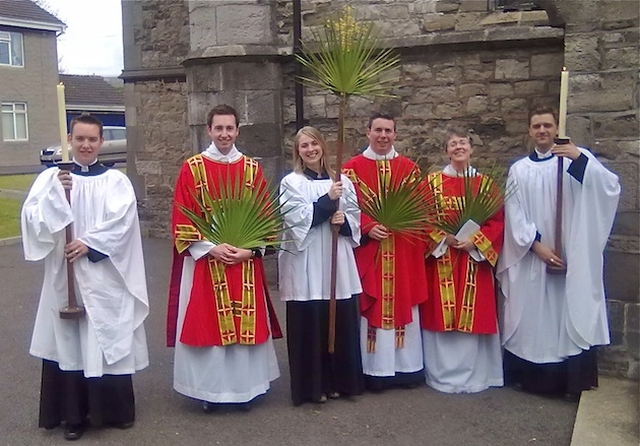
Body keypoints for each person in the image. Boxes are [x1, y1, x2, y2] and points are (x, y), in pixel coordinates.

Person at [21, 113, 149, 440]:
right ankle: (73, 416)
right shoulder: (53, 179)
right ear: (70, 139)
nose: (86, 145)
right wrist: (54, 196)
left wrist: (89, 243)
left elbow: (123, 223)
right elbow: (33, 221)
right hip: (66, 279)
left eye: (92, 139)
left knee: (104, 337)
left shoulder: (116, 181)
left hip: (104, 274)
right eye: (80, 139)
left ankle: (114, 411)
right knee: (71, 343)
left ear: (101, 142)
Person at [497, 105, 620, 399]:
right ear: (529, 131)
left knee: (566, 315)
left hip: (569, 256)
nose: (542, 131)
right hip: (534, 257)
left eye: (547, 126)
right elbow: (513, 213)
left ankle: (568, 382)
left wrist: (578, 159)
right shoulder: (519, 170)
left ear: (556, 128)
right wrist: (535, 245)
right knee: (532, 315)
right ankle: (530, 378)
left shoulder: (575, 160)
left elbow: (609, 188)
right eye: (537, 126)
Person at [167, 104, 280, 412]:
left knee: (245, 324)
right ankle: (211, 392)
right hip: (207, 261)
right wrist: (210, 247)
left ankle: (245, 390)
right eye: (219, 128)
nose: (224, 134)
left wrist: (250, 250)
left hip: (243, 263)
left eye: (230, 128)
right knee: (210, 327)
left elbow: (265, 217)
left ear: (237, 130)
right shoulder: (192, 168)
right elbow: (181, 216)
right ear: (209, 130)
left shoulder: (252, 169)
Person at [342, 113, 428, 391]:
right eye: (377, 130)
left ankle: (406, 369)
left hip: (402, 251)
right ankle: (374, 371)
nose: (383, 136)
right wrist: (367, 227)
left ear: (395, 134)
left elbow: (422, 210)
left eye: (388, 131)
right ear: (367, 132)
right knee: (372, 304)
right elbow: (346, 210)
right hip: (372, 251)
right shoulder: (351, 170)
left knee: (403, 300)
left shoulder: (409, 169)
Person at [279, 126, 364, 405]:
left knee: (339, 321)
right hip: (308, 262)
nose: (310, 149)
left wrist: (346, 222)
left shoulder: (343, 182)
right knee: (311, 323)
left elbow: (355, 219)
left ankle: (341, 381)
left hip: (337, 261)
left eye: (314, 144)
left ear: (322, 147)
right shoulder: (291, 183)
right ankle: (312, 387)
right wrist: (328, 202)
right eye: (304, 146)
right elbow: (297, 221)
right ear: (298, 152)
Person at [419, 128, 504, 393]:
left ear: (471, 148)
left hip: (472, 262)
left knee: (472, 316)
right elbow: (421, 220)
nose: (458, 147)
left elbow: (497, 222)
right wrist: (442, 237)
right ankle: (440, 376)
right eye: (453, 144)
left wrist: (476, 241)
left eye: (463, 142)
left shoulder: (485, 184)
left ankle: (477, 376)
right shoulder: (431, 183)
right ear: (446, 151)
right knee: (442, 317)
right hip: (443, 258)